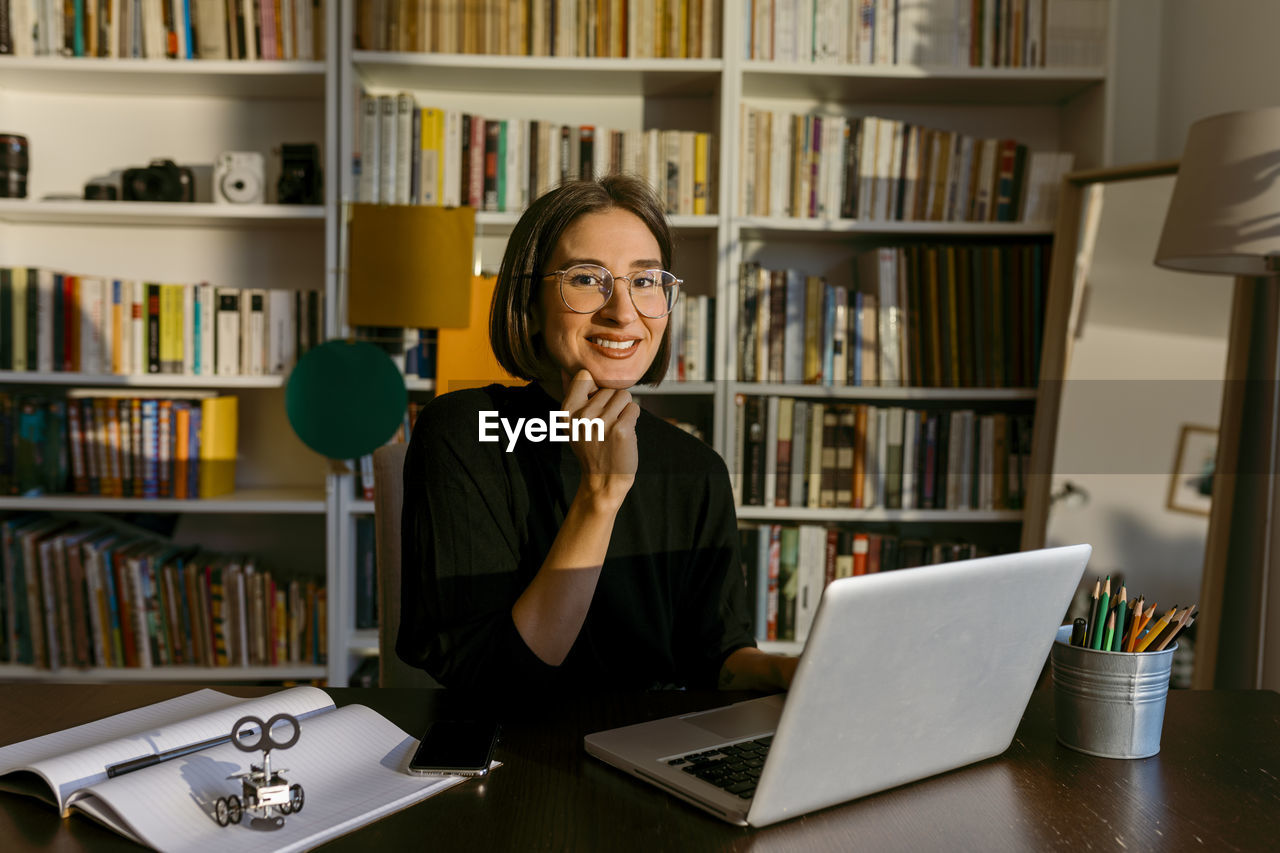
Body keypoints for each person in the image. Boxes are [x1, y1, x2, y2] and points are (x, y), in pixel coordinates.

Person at [398, 174, 798, 693]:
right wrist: (601, 494)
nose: (623, 312)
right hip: (514, 755)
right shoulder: (464, 432)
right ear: (530, 304)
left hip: (654, 751)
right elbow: (494, 677)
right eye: (587, 279)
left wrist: (801, 670)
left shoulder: (695, 467)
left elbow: (717, 657)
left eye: (646, 280)